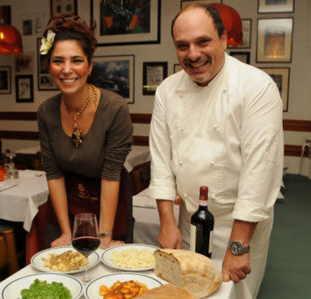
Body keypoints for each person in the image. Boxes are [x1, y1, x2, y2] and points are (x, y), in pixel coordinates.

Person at [148, 4, 283, 298]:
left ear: (224, 39)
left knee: (233, 294)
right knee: (185, 291)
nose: (193, 54)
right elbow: (159, 160)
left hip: (239, 221)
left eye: (203, 41)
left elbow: (260, 171)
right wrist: (167, 222)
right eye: (183, 46)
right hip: (189, 217)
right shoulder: (167, 91)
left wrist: (238, 245)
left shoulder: (256, 86)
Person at [37, 14, 133, 250]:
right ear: (49, 66)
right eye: (58, 60)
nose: (67, 70)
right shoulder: (46, 111)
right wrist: (66, 232)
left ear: (89, 66)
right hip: (66, 207)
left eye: (76, 60)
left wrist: (105, 235)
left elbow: (111, 174)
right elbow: (54, 173)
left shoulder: (115, 108)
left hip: (108, 203)